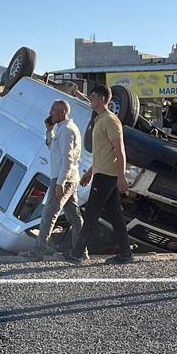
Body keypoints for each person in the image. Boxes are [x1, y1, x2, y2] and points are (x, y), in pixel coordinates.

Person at [64, 84, 134, 264]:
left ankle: (77, 253)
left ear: (102, 99)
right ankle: (126, 253)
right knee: (114, 214)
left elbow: (119, 150)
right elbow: (102, 152)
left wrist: (121, 176)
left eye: (93, 96)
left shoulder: (110, 120)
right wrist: (89, 172)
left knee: (91, 213)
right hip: (101, 172)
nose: (91, 100)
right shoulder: (99, 120)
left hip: (107, 176)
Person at [19, 100, 85, 261]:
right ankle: (81, 250)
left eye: (53, 110)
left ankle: (38, 251)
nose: (50, 113)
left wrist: (60, 182)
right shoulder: (63, 129)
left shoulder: (67, 130)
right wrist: (49, 131)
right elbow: (54, 150)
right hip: (68, 177)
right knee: (74, 217)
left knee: (49, 214)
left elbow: (67, 159)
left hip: (63, 178)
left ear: (63, 112)